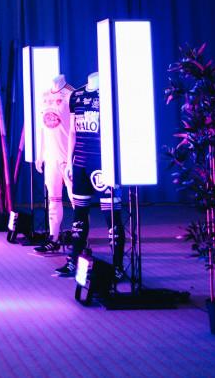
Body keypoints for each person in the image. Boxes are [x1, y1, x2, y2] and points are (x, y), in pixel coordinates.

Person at [57, 78, 125, 279]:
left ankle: (118, 267)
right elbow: (72, 132)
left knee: (111, 217)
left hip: (104, 165)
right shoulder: (76, 95)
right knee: (78, 216)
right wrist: (70, 162)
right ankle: (73, 261)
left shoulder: (109, 93)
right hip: (80, 164)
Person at [33, 75, 74, 255]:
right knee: (53, 199)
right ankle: (53, 238)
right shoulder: (43, 96)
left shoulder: (71, 94)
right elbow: (42, 128)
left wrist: (72, 158)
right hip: (50, 157)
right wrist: (39, 154)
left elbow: (74, 129)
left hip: (67, 157)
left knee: (76, 200)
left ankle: (82, 239)